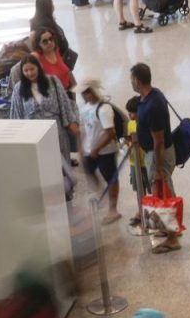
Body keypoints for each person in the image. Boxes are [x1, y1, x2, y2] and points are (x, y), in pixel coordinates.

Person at [129, 63, 180, 252]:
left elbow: (158, 141)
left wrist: (158, 169)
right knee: (162, 193)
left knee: (165, 195)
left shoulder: (153, 105)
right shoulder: (150, 96)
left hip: (158, 156)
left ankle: (173, 238)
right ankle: (169, 230)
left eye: (131, 79)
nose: (131, 83)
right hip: (155, 154)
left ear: (137, 80)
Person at [75, 80, 121, 221]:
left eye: (86, 92)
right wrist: (81, 146)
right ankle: (101, 193)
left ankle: (113, 209)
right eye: (82, 93)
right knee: (89, 171)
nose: (83, 96)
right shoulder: (85, 108)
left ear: (93, 91)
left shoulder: (104, 109)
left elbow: (110, 133)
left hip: (106, 151)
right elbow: (83, 128)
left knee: (111, 178)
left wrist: (97, 148)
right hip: (90, 150)